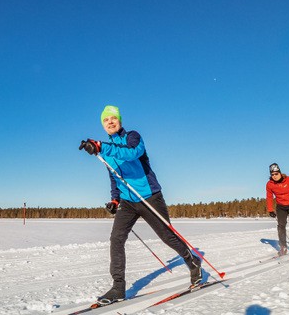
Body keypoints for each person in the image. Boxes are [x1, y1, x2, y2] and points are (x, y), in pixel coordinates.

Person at [79, 105, 203, 304]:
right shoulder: (106, 151)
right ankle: (118, 288)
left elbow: (131, 153)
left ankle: (193, 262)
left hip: (149, 196)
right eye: (105, 120)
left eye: (113, 118)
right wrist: (114, 199)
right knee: (116, 239)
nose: (110, 122)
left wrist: (101, 146)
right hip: (128, 201)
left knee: (167, 236)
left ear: (119, 120)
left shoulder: (133, 137)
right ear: (103, 125)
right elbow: (115, 177)